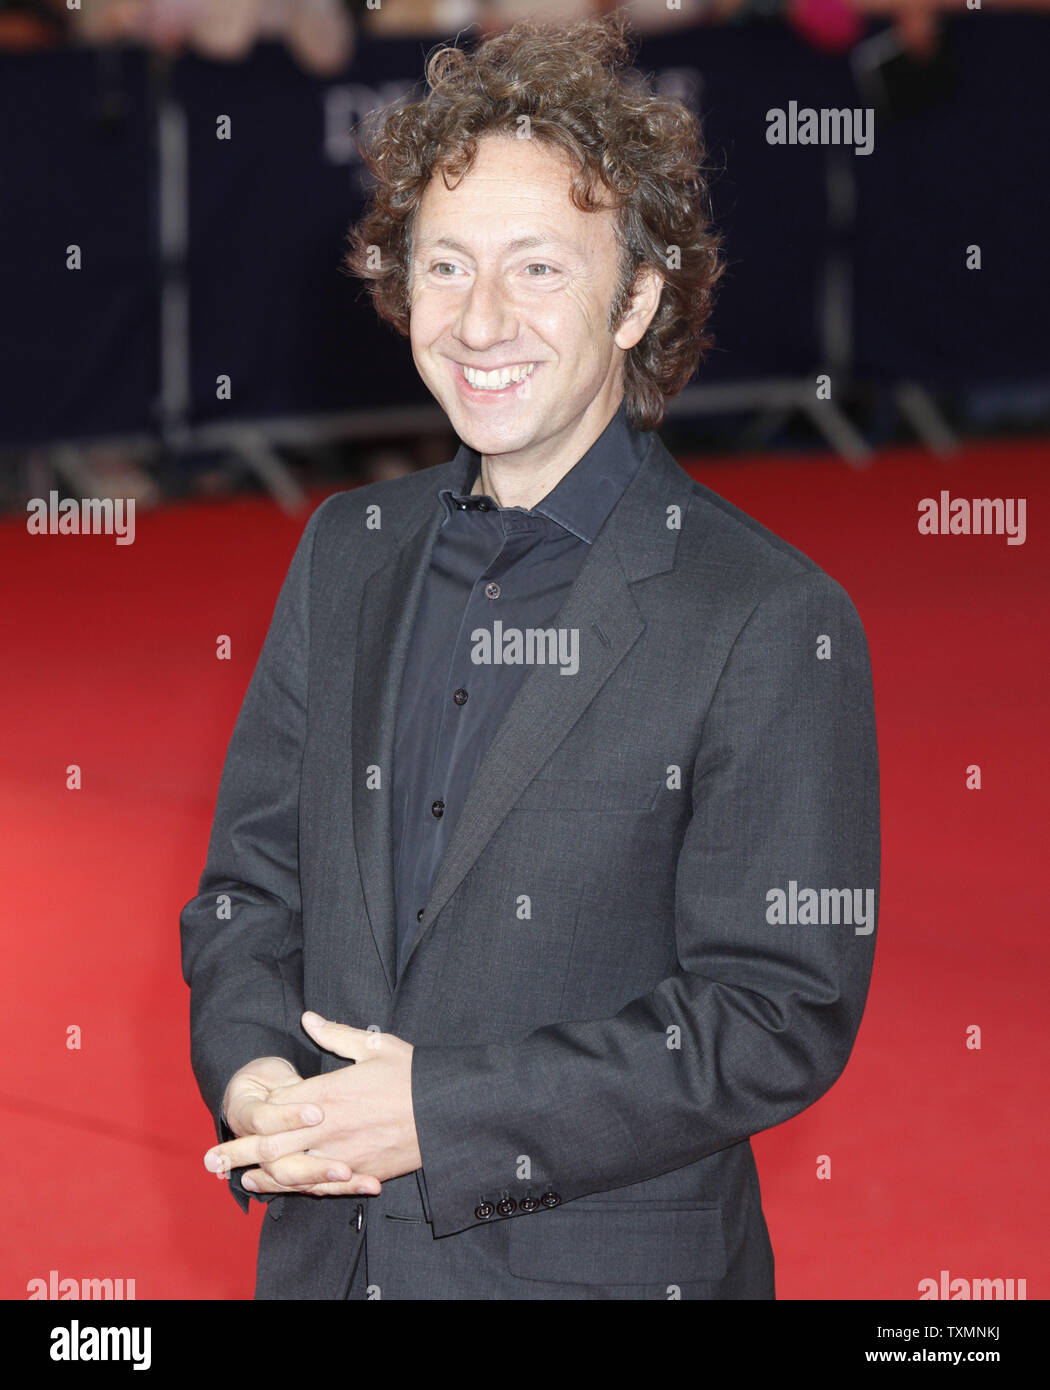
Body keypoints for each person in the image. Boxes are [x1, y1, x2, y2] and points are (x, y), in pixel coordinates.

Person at [180, 13, 880, 1301]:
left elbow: (778, 1013)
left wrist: (440, 1114)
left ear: (640, 299)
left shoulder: (771, 616)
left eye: (539, 269)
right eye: (443, 267)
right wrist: (254, 1069)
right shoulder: (346, 550)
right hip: (325, 1268)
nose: (480, 319)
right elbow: (247, 888)